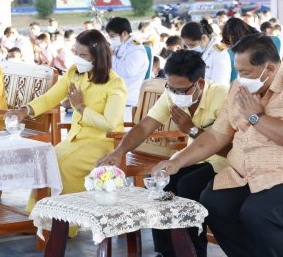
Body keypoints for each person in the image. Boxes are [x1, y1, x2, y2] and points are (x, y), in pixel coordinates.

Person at [152, 34, 283, 257]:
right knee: (213, 201)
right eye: (238, 71)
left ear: (269, 69)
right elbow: (215, 136)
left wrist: (256, 117)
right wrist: (176, 162)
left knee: (260, 211)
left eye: (245, 73)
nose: (240, 78)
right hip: (251, 173)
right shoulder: (239, 89)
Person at [97, 50, 229, 257]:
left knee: (187, 186)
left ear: (199, 84)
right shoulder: (172, 94)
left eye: (181, 89)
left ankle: (193, 252)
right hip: (194, 156)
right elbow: (144, 127)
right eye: (170, 87)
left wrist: (191, 130)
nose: (174, 94)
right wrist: (119, 151)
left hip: (224, 160)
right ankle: (165, 251)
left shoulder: (221, 96)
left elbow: (227, 145)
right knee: (158, 179)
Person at [10, 29, 127, 207]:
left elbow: (109, 124)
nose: (77, 59)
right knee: (45, 160)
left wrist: (81, 107)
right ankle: (39, 216)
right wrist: (25, 110)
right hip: (75, 139)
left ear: (98, 56)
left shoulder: (115, 83)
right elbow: (50, 97)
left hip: (103, 142)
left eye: (83, 55)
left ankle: (66, 223)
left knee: (64, 165)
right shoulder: (75, 72)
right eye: (76, 53)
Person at [106, 17, 148, 107]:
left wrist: (112, 57)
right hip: (115, 93)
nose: (111, 39)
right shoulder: (119, 44)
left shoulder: (136, 49)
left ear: (124, 33)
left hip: (128, 99)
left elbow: (128, 72)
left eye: (113, 36)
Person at [181, 21, 231, 87]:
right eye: (187, 45)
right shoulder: (198, 52)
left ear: (204, 38)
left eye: (192, 45)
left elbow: (220, 85)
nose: (190, 48)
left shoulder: (220, 54)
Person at [221, 17, 259, 82]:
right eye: (228, 37)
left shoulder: (255, 43)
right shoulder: (234, 45)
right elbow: (221, 46)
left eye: (232, 36)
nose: (230, 40)